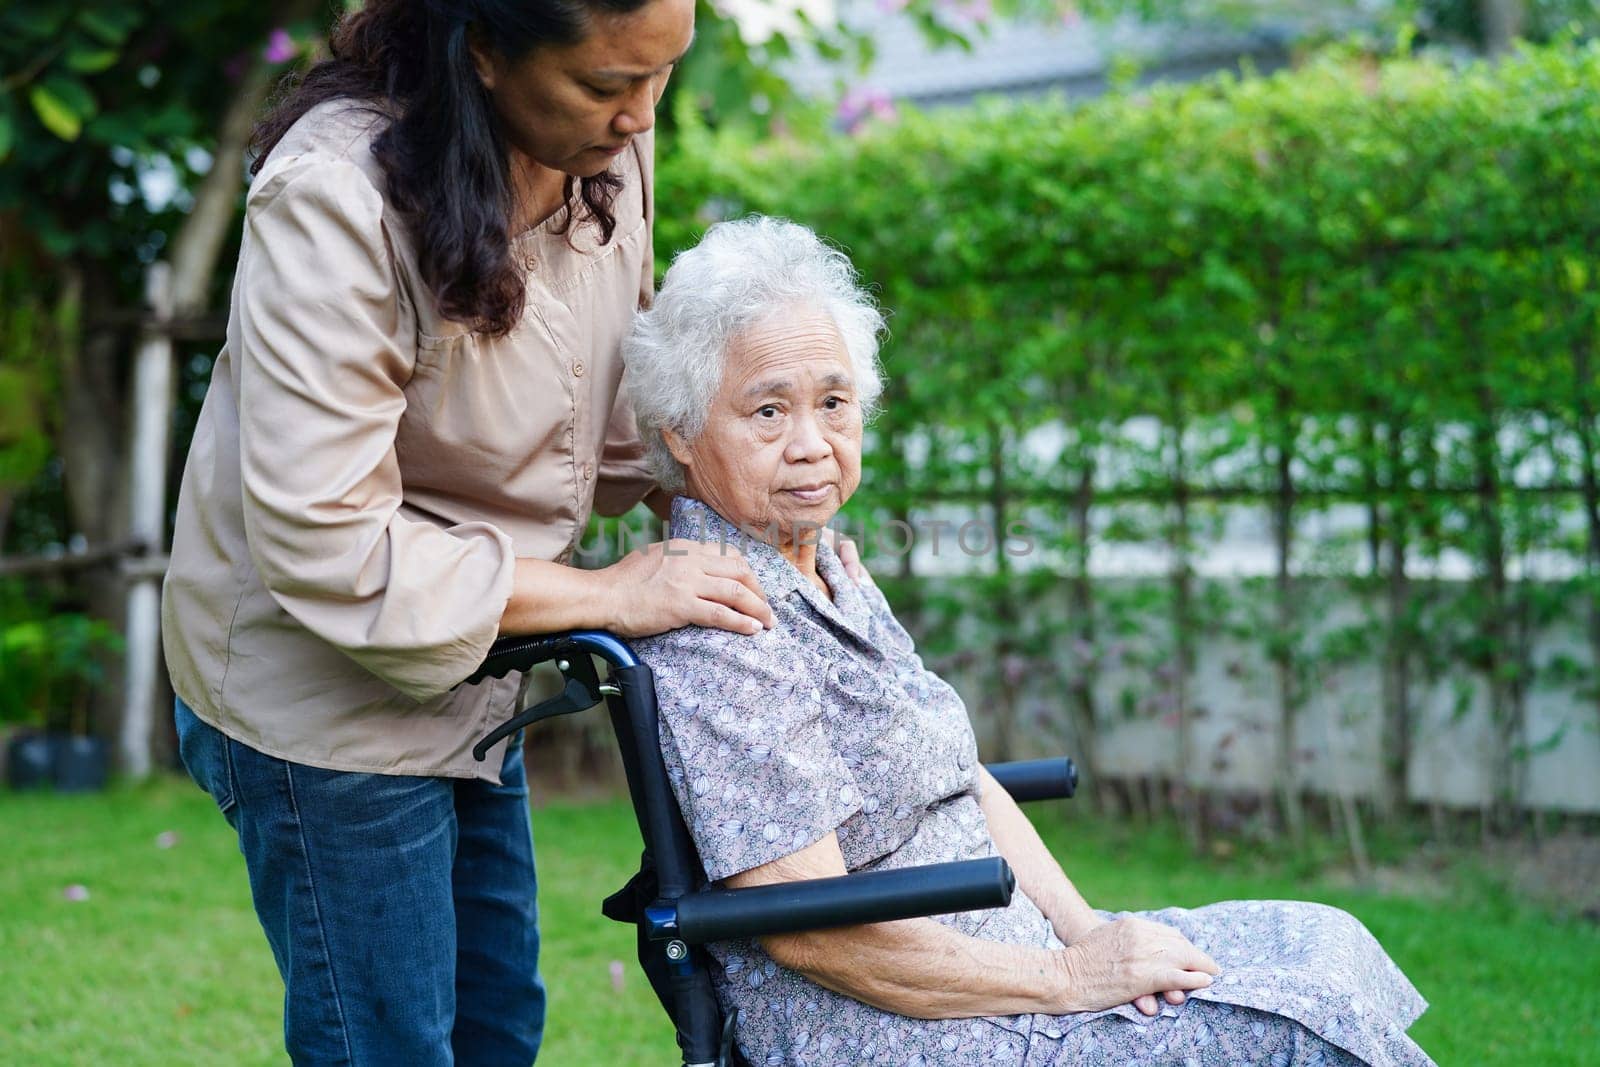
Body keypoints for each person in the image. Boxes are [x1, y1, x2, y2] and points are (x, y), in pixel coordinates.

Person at [159, 2, 845, 1063]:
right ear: (480, 48)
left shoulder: (603, 133)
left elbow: (615, 382)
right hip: (315, 683)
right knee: (386, 1042)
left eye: (660, 76)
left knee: (495, 1026)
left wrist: (752, 509)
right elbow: (326, 540)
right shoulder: (335, 197)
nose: (638, 113)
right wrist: (612, 593)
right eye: (606, 85)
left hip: (479, 652)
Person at [624, 216, 1435, 1066]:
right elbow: (810, 930)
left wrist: (1093, 933)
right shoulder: (723, 616)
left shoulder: (824, 564)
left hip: (1000, 966)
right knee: (1289, 1031)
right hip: (894, 1027)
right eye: (767, 409)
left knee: (1323, 945)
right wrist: (1070, 977)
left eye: (833, 403)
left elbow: (958, 776)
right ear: (681, 431)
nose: (812, 444)